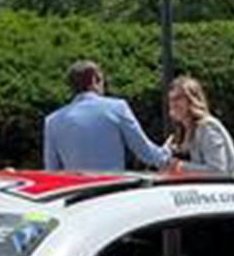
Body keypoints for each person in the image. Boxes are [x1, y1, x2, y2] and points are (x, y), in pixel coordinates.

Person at [40, 58, 169, 173]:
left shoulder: (52, 121)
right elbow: (144, 152)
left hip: (75, 195)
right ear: (94, 79)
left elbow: (52, 171)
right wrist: (167, 153)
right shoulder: (117, 107)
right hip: (110, 192)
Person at [165, 74, 234, 177]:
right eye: (171, 99)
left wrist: (179, 167)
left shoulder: (207, 127)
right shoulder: (177, 134)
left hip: (224, 191)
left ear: (192, 100)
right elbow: (162, 159)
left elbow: (218, 171)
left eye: (178, 98)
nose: (173, 104)